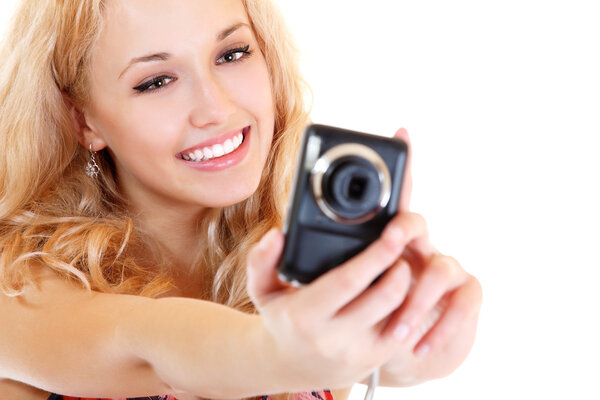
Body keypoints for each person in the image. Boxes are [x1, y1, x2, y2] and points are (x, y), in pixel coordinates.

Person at [0, 0, 483, 399]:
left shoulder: (299, 267)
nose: (217, 109)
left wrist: (412, 337)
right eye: (156, 81)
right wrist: (286, 352)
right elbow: (148, 342)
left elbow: (376, 358)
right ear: (83, 121)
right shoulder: (16, 283)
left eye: (232, 54)